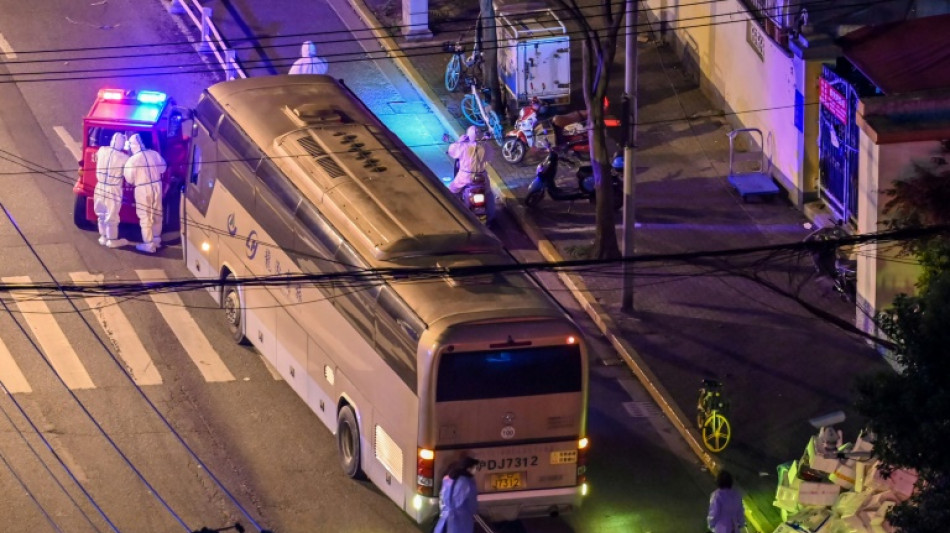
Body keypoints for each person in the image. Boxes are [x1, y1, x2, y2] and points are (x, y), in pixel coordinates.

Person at [123, 133, 167, 254]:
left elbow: (129, 179)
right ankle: (156, 240)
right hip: (157, 186)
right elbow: (163, 168)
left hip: (142, 189)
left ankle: (148, 244)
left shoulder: (132, 161)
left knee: (145, 216)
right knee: (157, 213)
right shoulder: (154, 154)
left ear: (133, 146)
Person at [93, 132, 130, 248]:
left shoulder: (102, 150)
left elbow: (96, 158)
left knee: (101, 213)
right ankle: (112, 240)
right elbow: (128, 175)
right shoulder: (124, 158)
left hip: (100, 186)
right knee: (112, 215)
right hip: (113, 188)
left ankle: (103, 236)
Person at [434, 456, 479, 533]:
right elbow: (472, 504)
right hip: (461, 519)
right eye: (474, 468)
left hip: (445, 517)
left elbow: (443, 497)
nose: (476, 470)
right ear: (468, 468)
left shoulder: (448, 479)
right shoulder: (468, 483)